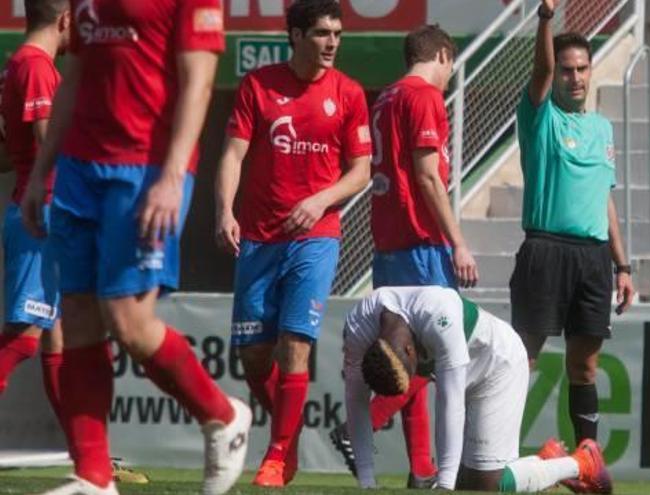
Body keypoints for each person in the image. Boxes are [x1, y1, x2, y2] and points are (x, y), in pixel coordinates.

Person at [20, 1, 252, 494]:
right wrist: (43, 171)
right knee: (77, 318)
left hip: (145, 169)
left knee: (128, 320)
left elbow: (199, 82)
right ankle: (93, 476)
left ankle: (222, 415)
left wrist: (172, 176)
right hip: (80, 170)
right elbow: (76, 79)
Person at [214, 0, 371, 488]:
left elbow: (361, 171)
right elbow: (232, 155)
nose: (332, 44)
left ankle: (278, 454)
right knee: (255, 357)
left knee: (294, 345)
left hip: (316, 237)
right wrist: (223, 210)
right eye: (323, 33)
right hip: (259, 237)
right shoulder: (258, 86)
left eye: (338, 34)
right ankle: (291, 431)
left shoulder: (348, 93)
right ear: (297, 35)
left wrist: (320, 200)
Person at [329, 24, 479, 489]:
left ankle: (420, 468)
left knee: (406, 353)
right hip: (421, 242)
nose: (450, 76)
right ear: (441, 55)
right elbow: (428, 177)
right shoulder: (423, 97)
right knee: (430, 356)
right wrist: (457, 241)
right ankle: (365, 427)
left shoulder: (386, 97)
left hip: (388, 243)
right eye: (451, 66)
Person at [510, 0, 635, 492]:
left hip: (592, 258)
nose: (575, 78)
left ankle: (587, 462)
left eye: (582, 69)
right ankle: (491, 451)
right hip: (545, 250)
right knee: (524, 358)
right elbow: (539, 68)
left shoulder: (602, 128)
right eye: (567, 70)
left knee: (585, 366)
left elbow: (604, 200)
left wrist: (623, 266)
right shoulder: (541, 117)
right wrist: (545, 18)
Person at [343, 286, 610, 492]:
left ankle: (582, 462)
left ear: (410, 350)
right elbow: (356, 403)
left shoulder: (438, 315)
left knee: (486, 484)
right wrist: (366, 483)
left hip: (499, 365)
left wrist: (445, 486)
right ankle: (541, 463)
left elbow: (450, 402)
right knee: (466, 483)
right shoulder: (358, 328)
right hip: (467, 372)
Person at [0, 0, 67, 410]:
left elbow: (6, 155)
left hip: (32, 208)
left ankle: (86, 454)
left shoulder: (14, 67)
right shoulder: (38, 67)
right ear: (65, 19)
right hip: (42, 211)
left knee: (59, 336)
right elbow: (49, 146)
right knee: (24, 337)